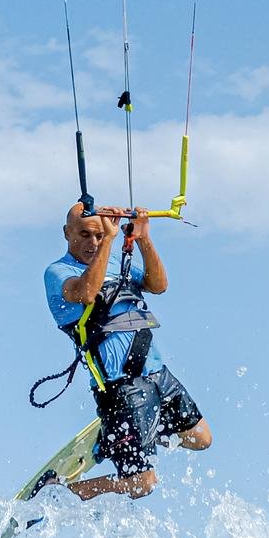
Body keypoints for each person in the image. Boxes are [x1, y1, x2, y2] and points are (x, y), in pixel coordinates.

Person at [42, 201, 212, 498]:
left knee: (201, 438)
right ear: (67, 233)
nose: (92, 242)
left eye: (98, 236)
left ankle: (118, 435)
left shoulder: (112, 263)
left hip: (157, 373)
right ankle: (62, 491)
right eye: (84, 234)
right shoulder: (57, 272)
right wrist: (109, 238)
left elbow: (157, 285)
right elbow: (86, 292)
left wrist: (144, 240)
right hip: (121, 388)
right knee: (141, 484)